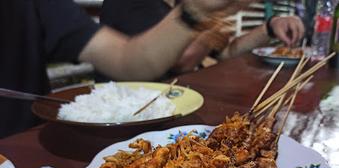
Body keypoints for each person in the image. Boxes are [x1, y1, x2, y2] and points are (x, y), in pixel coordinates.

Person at [0, 0, 255, 138]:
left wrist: (195, 12)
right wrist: (209, 32)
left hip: (31, 148)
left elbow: (128, 60)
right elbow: (185, 60)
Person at [99, 0, 305, 76]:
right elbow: (183, 61)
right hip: (130, 116)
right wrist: (215, 27)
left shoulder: (185, 5)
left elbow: (225, 53)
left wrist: (270, 27)